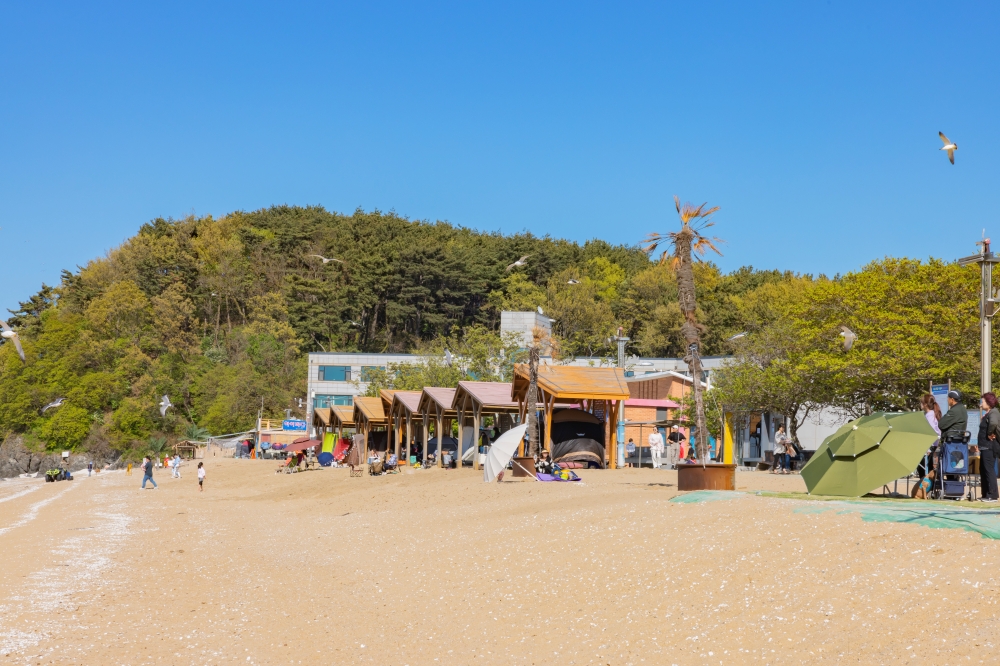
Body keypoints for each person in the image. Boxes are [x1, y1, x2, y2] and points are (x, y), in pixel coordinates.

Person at [979, 393, 1000, 502]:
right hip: (984, 446)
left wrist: (989, 433)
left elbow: (993, 423)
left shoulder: (994, 412)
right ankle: (985, 493)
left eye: (982, 401)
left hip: (990, 446)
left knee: (989, 469)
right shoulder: (988, 413)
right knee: (982, 469)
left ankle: (993, 494)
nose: (981, 404)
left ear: (988, 402)